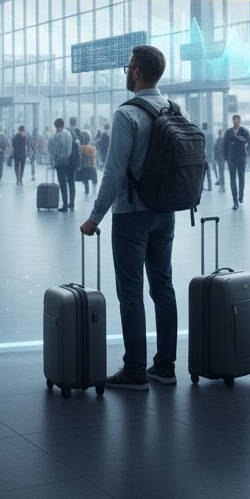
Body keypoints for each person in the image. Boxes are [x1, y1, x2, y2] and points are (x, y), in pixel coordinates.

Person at [80, 44, 179, 391]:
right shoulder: (173, 109)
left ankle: (135, 370)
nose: (126, 72)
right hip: (165, 213)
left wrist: (95, 217)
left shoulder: (127, 114)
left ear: (136, 72)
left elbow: (114, 172)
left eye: (128, 67)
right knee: (163, 288)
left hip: (132, 215)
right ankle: (165, 366)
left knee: (132, 293)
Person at [223, 114, 250, 210]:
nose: (236, 122)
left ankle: (241, 196)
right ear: (232, 121)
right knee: (233, 179)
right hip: (232, 159)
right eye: (234, 120)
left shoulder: (244, 131)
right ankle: (235, 201)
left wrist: (246, 150)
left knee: (241, 178)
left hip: (242, 158)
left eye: (237, 120)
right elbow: (225, 146)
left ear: (240, 121)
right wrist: (226, 158)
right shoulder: (228, 132)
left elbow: (249, 143)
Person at [50, 118, 73, 211]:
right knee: (69, 183)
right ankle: (69, 203)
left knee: (62, 184)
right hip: (69, 162)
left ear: (58, 126)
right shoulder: (68, 133)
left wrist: (55, 162)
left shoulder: (58, 135)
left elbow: (57, 151)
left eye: (56, 127)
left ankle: (64, 205)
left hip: (61, 163)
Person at [78, 130, 98, 195]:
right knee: (94, 179)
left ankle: (86, 190)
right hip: (92, 166)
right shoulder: (93, 148)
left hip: (85, 166)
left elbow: (80, 157)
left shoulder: (81, 148)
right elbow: (95, 157)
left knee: (85, 179)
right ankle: (94, 191)